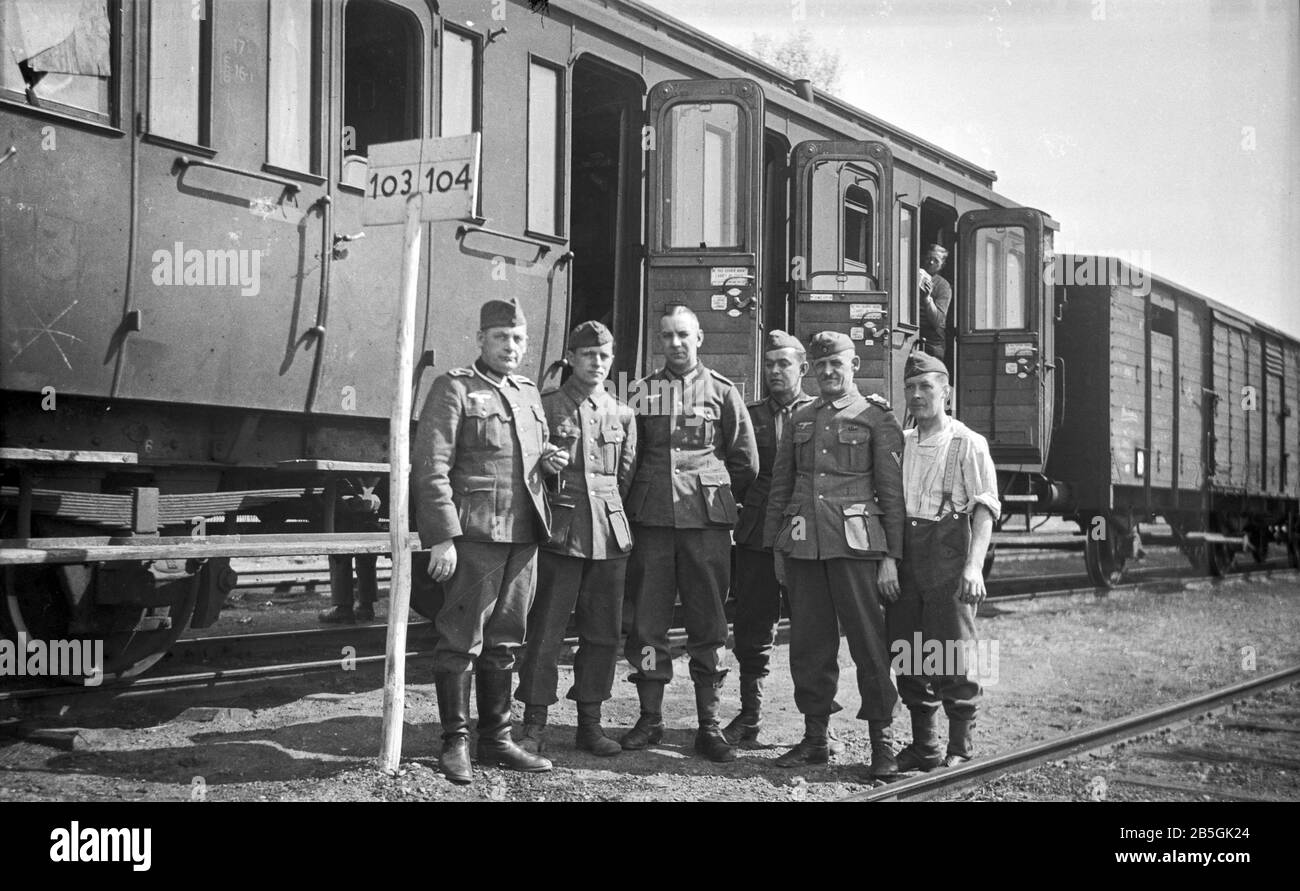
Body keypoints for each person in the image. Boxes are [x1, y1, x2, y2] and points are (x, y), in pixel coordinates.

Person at [411, 297, 569, 785]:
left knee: (505, 642)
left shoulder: (526, 394)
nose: (511, 346)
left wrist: (550, 466)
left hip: (523, 537)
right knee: (460, 641)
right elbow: (431, 468)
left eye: (518, 338)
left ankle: (496, 739)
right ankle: (455, 742)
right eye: (501, 337)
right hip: (474, 536)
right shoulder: (453, 388)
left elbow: (526, 463)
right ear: (481, 339)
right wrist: (442, 538)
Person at [763, 331, 905, 778]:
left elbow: (892, 494)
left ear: (853, 366)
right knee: (808, 644)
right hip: (804, 544)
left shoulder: (876, 417)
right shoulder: (802, 416)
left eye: (835, 365)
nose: (827, 372)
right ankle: (814, 739)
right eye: (820, 366)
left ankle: (881, 742)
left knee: (869, 643)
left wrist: (891, 556)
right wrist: (776, 547)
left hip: (858, 546)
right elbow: (780, 486)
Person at [620, 305, 758, 763]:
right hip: (653, 522)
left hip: (705, 527)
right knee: (645, 626)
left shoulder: (722, 392)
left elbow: (744, 462)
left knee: (709, 626)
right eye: (666, 337)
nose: (675, 344)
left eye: (683, 335)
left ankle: (709, 725)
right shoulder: (642, 391)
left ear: (699, 338)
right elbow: (630, 455)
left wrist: (711, 496)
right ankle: (650, 719)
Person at [514, 321, 638, 758]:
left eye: (604, 356)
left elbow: (625, 478)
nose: (597, 363)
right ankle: (533, 726)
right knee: (545, 632)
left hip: (608, 537)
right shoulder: (545, 406)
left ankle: (591, 723)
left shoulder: (623, 413)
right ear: (571, 357)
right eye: (588, 355)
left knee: (603, 634)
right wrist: (546, 471)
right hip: (559, 535)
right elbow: (526, 473)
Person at [888, 350, 1000, 770]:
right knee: (909, 652)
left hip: (949, 559)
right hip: (906, 559)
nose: (917, 395)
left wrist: (973, 566)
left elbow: (985, 508)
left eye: (926, 387)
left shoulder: (968, 443)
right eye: (911, 388)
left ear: (946, 393)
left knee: (953, 652)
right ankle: (925, 748)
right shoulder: (901, 441)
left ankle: (959, 750)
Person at [722, 330, 814, 746]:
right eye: (771, 364)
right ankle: (750, 716)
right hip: (758, 534)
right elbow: (735, 467)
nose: (776, 371)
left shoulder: (822, 413)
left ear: (802, 369)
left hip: (807, 537)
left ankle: (816, 727)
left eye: (785, 364)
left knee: (813, 630)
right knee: (752, 625)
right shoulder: (749, 414)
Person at [318, 477, 382, 624]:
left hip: (348, 488)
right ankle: (366, 606)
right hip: (371, 485)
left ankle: (343, 607)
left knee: (340, 548)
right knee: (366, 547)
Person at [919, 244, 952, 362]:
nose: (931, 262)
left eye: (936, 261)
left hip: (931, 340)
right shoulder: (910, 277)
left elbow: (937, 320)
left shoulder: (943, 286)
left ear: (942, 265)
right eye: (929, 258)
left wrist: (927, 299)